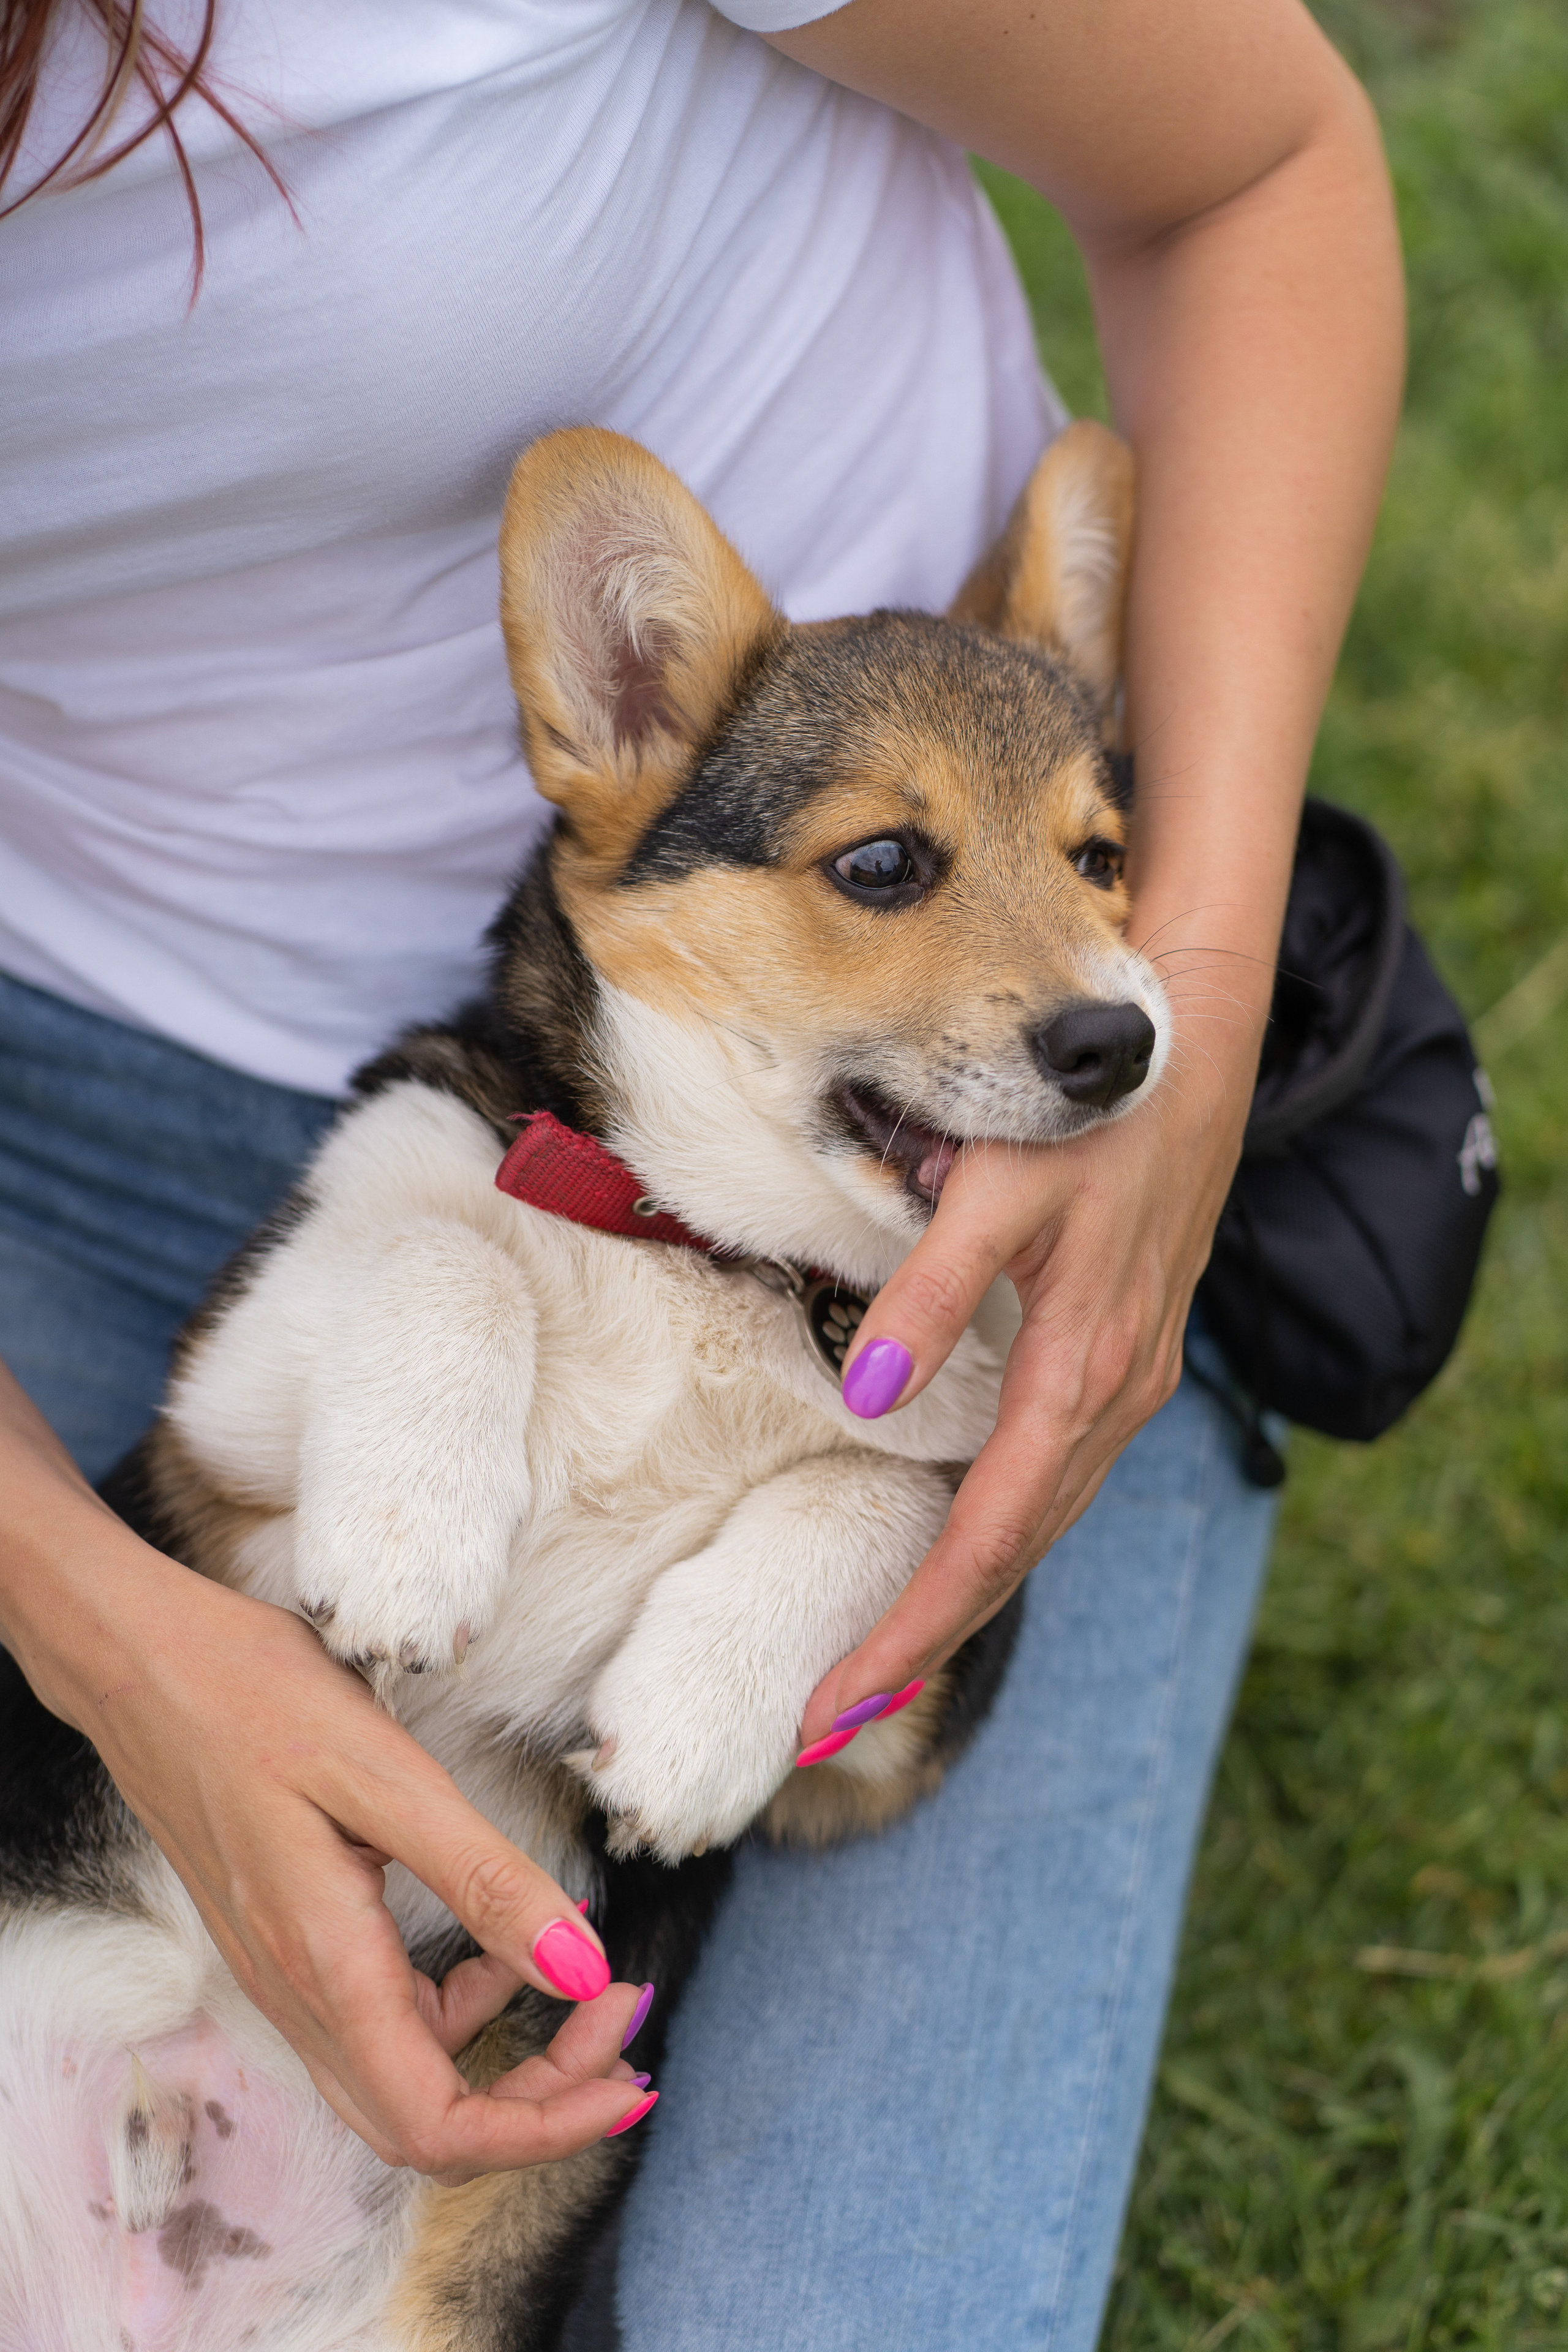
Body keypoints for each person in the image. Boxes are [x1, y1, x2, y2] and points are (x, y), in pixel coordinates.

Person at [0, 0, 1403, 2340]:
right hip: (105, 1102)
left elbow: (1259, 166)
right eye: (895, 878)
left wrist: (1206, 1003)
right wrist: (108, 1622)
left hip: (915, 1225)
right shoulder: (442, 1203)